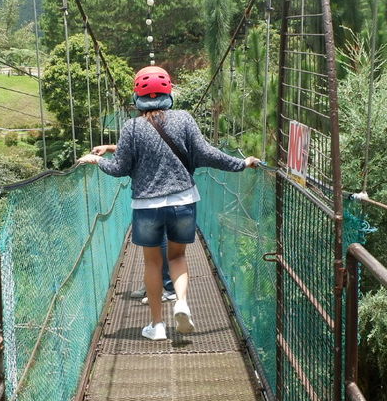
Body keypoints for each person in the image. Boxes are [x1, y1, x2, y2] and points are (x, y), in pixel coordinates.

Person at [78, 65, 258, 341]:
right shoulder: (184, 119)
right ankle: (182, 303)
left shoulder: (131, 127)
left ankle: (157, 325)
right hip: (183, 201)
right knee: (177, 256)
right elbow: (206, 153)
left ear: (137, 95)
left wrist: (99, 160)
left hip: (146, 206)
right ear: (169, 91)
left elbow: (119, 169)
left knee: (151, 264)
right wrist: (240, 164)